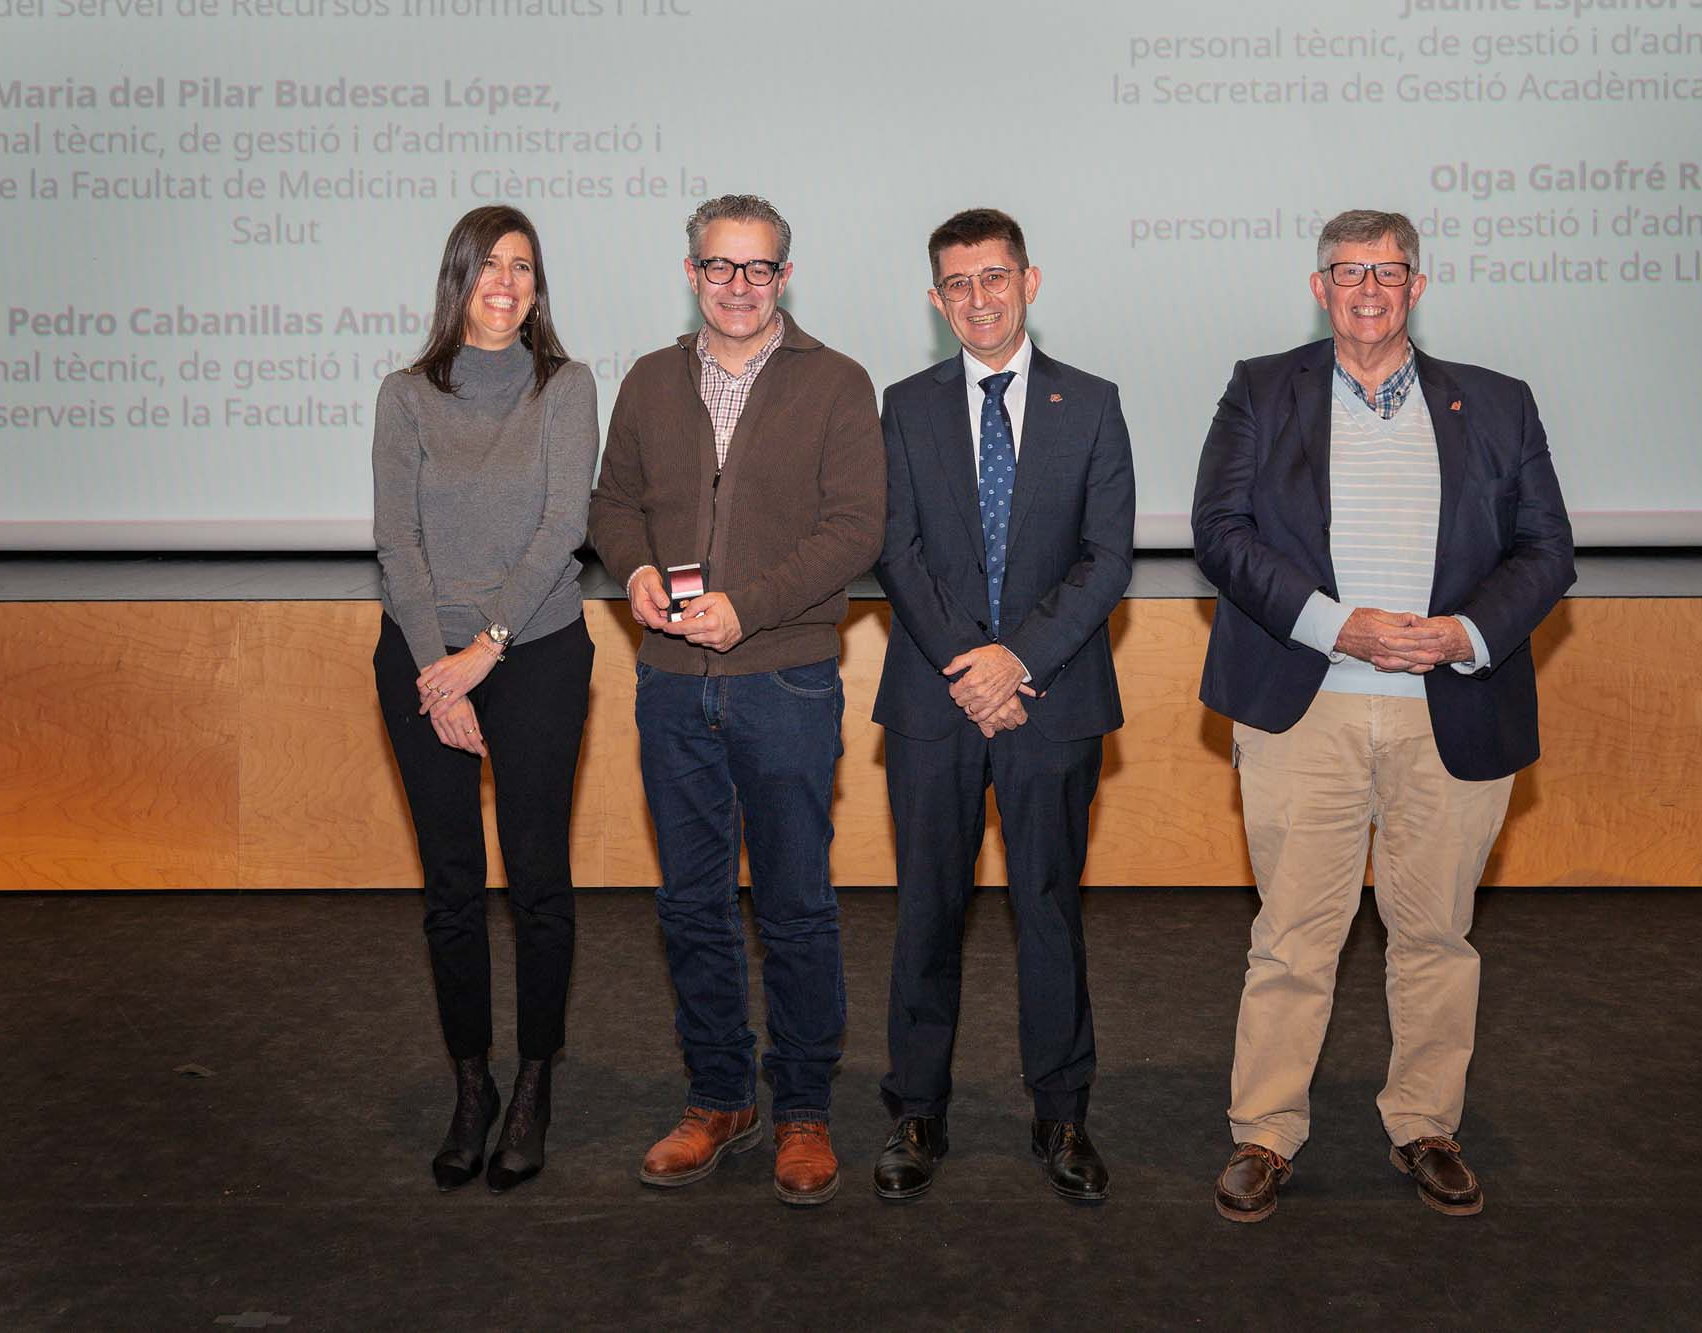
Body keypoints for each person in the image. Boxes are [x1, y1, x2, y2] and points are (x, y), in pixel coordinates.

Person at [1191, 208, 1574, 1221]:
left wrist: (1460, 633)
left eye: (1389, 271)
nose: (1369, 288)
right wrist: (1338, 626)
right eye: (1349, 271)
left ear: (1417, 285)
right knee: (1291, 937)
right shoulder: (1260, 389)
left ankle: (1425, 1124)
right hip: (1303, 707)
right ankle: (1264, 1133)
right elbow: (1219, 532)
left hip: (1451, 712)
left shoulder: (1497, 402)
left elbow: (1546, 549)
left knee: (1436, 934)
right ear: (1319, 287)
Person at [587, 194, 884, 1207]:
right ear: (692, 273)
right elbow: (612, 503)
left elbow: (856, 528)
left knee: (796, 905)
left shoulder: (837, 383)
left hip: (787, 680)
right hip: (671, 684)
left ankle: (801, 1107)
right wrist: (633, 569)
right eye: (720, 266)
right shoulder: (647, 379)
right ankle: (719, 1098)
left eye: (759, 268)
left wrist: (746, 608)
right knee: (690, 904)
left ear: (784, 277)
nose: (739, 286)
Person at [870, 208, 1134, 1203]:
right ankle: (915, 1110)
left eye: (993, 277)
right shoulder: (905, 405)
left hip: (1051, 701)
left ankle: (1061, 1112)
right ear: (935, 299)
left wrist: (1015, 663)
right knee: (926, 911)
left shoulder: (1092, 403)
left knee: (1049, 909)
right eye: (957, 283)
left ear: (1029, 280)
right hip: (934, 702)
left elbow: (1106, 557)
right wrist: (970, 669)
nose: (977, 298)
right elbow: (896, 550)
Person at [372, 204, 599, 1195]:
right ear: (457, 280)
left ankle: (534, 1080)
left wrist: (484, 651)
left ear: (537, 288)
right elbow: (397, 544)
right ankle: (472, 1083)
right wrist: (439, 669)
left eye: (523, 267)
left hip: (536, 650)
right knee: (452, 888)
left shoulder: (566, 387)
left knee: (539, 880)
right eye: (488, 266)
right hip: (423, 658)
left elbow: (562, 526)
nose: (505, 283)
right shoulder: (405, 396)